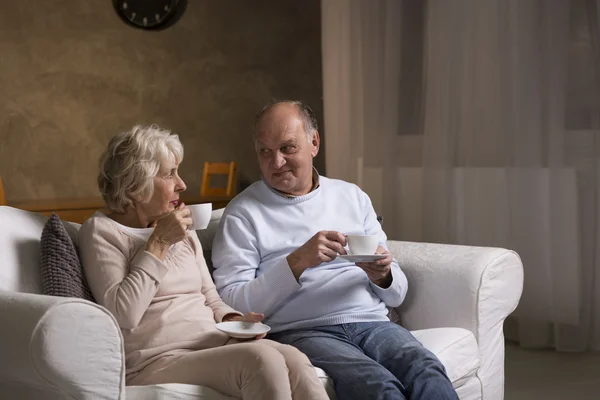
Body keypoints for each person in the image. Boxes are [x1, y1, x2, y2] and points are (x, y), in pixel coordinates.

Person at [212, 101, 459, 400]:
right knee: (377, 386)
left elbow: (397, 293)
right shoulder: (242, 213)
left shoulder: (351, 196)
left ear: (314, 142)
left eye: (287, 148)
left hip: (372, 322)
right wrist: (297, 262)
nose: (276, 163)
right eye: (265, 151)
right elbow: (231, 305)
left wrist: (383, 276)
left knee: (425, 368)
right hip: (301, 331)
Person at [78, 124, 329, 400]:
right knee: (262, 361)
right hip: (153, 360)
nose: (182, 184)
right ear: (137, 185)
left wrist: (234, 320)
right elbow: (124, 313)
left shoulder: (180, 228)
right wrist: (159, 244)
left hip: (210, 345)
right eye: (170, 174)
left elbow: (210, 297)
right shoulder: (102, 231)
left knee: (295, 360)